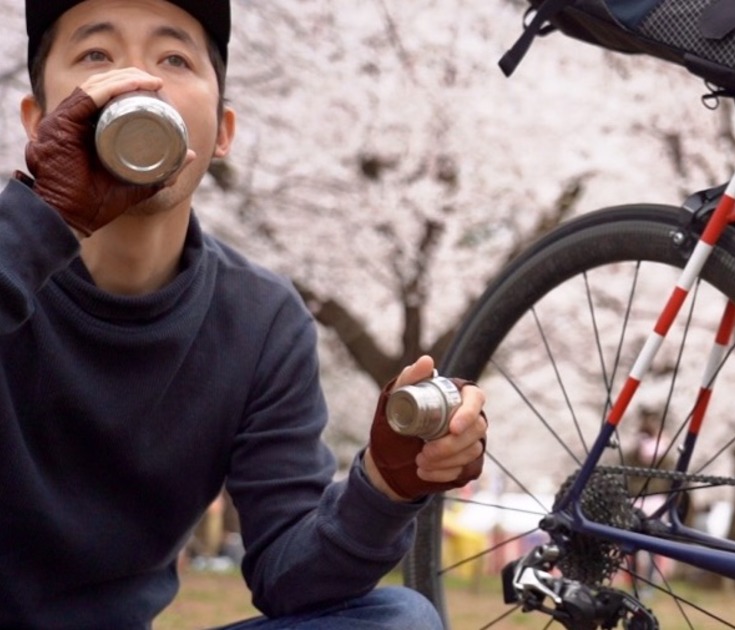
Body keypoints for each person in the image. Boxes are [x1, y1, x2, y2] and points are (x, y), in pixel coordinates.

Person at [0, 0, 488, 627]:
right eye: (97, 54)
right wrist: (43, 217)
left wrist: (387, 484)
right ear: (39, 122)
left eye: (173, 58)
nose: (136, 81)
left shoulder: (259, 320)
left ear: (223, 131)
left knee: (400, 621)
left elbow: (290, 580)